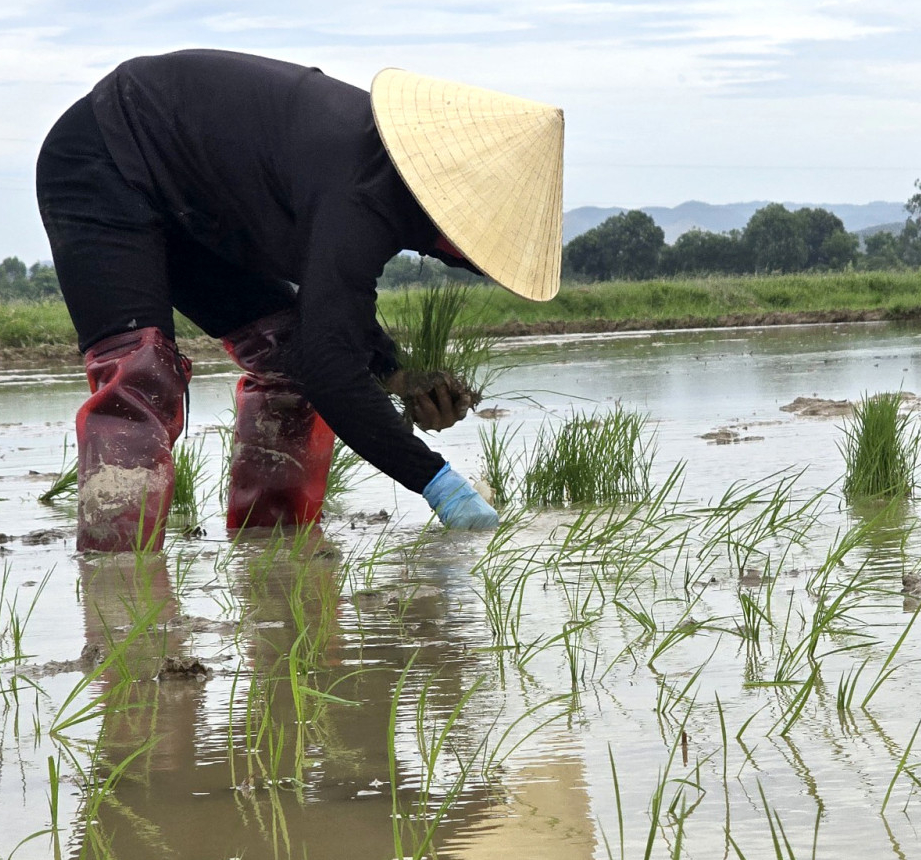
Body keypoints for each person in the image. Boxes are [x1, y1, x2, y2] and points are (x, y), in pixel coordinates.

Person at [36, 49, 566, 551]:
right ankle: (117, 581)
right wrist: (438, 483)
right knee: (140, 378)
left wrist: (399, 375)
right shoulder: (365, 188)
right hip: (104, 155)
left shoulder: (383, 182)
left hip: (195, 207)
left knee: (286, 356)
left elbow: (332, 316)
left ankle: (273, 553)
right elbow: (331, 366)